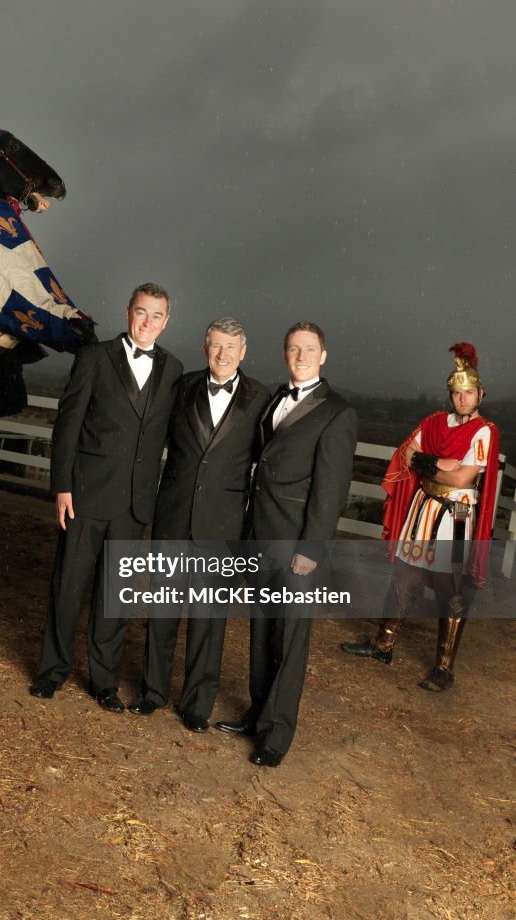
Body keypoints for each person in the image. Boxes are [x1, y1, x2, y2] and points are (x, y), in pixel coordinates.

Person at [30, 283, 183, 711]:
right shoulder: (95, 357)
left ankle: (104, 682)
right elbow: (68, 424)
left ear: (166, 321)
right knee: (68, 587)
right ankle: (52, 671)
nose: (147, 323)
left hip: (135, 504)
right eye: (141, 312)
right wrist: (61, 485)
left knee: (115, 595)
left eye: (156, 316)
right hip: (85, 495)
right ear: (127, 311)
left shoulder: (174, 370)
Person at [215, 322, 356, 766]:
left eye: (309, 349)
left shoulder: (337, 412)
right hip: (261, 534)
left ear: (324, 355)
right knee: (261, 631)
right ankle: (258, 715)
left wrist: (311, 549)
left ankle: (277, 734)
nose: (300, 356)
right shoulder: (275, 398)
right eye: (293, 349)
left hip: (298, 543)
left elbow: (330, 492)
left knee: (290, 638)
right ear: (283, 354)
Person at [129, 317, 269, 732]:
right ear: (205, 347)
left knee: (210, 619)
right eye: (216, 346)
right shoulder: (182, 386)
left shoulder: (261, 398)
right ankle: (152, 692)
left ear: (244, 352)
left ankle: (196, 705)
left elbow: (266, 463)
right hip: (174, 513)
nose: (223, 354)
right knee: (162, 611)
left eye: (231, 347)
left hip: (222, 524)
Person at [341, 343, 499, 691]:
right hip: (424, 506)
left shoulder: (484, 431)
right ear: (451, 394)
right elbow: (407, 452)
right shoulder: (433, 422)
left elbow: (462, 479)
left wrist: (429, 465)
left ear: (480, 394)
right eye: (457, 393)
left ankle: (444, 667)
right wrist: (436, 462)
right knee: (404, 575)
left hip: (457, 513)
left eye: (469, 392)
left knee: (450, 587)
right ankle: (383, 644)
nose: (462, 398)